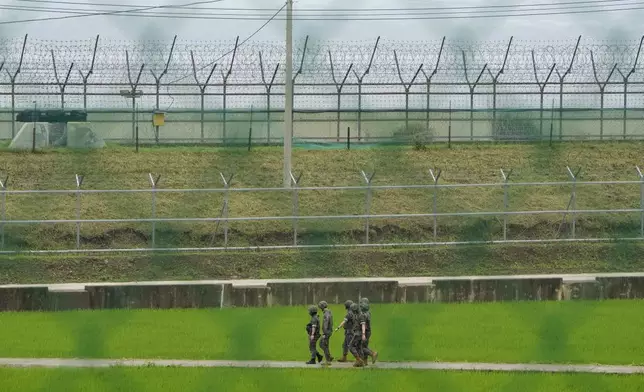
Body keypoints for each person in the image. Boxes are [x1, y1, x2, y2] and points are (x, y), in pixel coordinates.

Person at [348, 302, 366, 367]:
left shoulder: (360, 315)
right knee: (359, 347)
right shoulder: (357, 315)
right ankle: (361, 362)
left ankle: (359, 360)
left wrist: (363, 334)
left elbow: (363, 324)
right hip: (357, 333)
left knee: (351, 346)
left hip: (358, 333)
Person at [318, 301, 334, 365]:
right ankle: (329, 357)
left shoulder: (326, 313)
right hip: (329, 331)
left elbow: (326, 323)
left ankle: (328, 360)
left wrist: (324, 333)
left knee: (322, 344)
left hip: (326, 332)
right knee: (324, 344)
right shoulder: (329, 312)